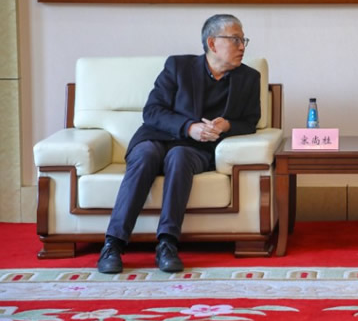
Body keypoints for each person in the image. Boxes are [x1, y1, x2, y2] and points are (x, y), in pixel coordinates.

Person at [97, 14, 261, 274]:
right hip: (157, 137)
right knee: (146, 154)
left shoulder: (249, 78)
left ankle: (167, 244)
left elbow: (250, 121)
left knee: (179, 156)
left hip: (196, 150)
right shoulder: (178, 67)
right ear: (212, 43)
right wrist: (188, 127)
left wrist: (227, 125)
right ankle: (113, 244)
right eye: (235, 40)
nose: (242, 46)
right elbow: (152, 111)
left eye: (244, 40)